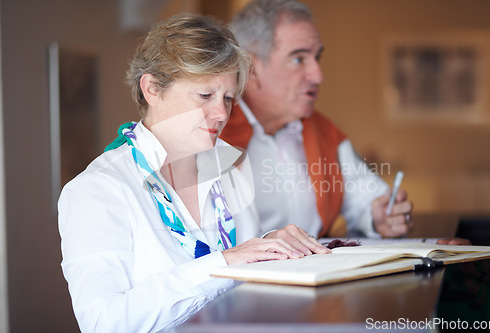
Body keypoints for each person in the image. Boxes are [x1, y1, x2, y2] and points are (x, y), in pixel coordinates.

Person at [58, 13, 328, 333]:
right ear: (152, 89)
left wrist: (268, 248)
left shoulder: (232, 166)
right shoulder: (97, 190)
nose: (221, 113)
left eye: (228, 98)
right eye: (205, 95)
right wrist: (223, 264)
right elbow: (103, 322)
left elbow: (245, 273)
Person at [220, 0, 413, 239]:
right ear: (250, 66)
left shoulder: (324, 132)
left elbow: (364, 196)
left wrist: (380, 215)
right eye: (299, 59)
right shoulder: (213, 132)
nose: (318, 75)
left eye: (316, 58)